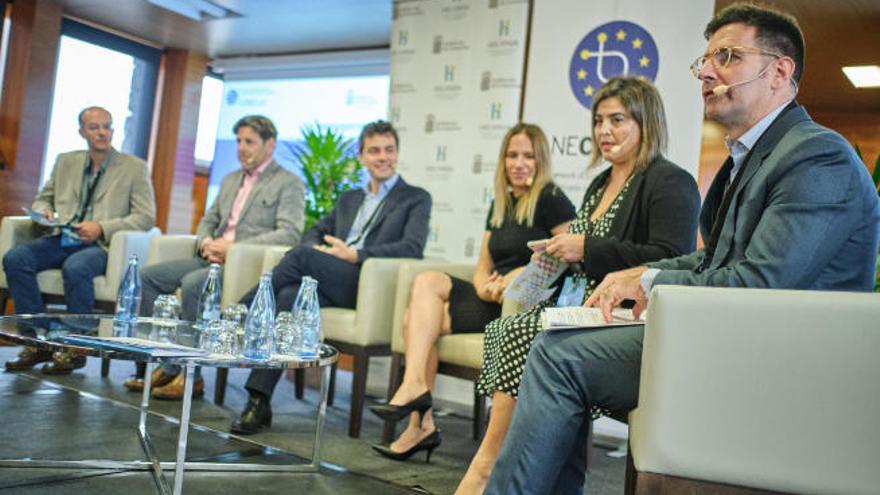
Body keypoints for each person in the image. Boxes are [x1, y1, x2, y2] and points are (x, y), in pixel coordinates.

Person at [483, 5, 880, 495]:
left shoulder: (817, 155)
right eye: (705, 60)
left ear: (780, 70)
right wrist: (637, 272)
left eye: (729, 56)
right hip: (725, 334)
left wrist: (646, 279)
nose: (707, 72)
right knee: (556, 344)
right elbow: (712, 261)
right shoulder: (754, 156)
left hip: (776, 360)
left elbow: (761, 284)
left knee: (560, 358)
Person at [456, 77, 702, 494]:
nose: (604, 131)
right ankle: (541, 475)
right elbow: (582, 256)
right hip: (583, 306)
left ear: (647, 121)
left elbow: (669, 257)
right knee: (503, 328)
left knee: (519, 332)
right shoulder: (598, 183)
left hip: (630, 318)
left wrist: (586, 247)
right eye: (599, 121)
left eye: (618, 120)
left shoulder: (669, 181)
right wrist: (548, 261)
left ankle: (488, 464)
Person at [369, 124, 577, 461]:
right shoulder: (503, 201)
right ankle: (416, 393)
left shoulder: (551, 198)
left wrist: (514, 277)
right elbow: (483, 263)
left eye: (528, 156)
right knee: (426, 283)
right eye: (512, 155)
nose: (518, 163)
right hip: (493, 298)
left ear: (541, 160)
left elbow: (566, 259)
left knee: (414, 320)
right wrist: (484, 284)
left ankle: (417, 421)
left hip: (522, 306)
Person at [230, 120, 432, 435]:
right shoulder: (350, 198)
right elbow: (314, 232)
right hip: (333, 277)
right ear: (362, 156)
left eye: (389, 150)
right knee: (287, 296)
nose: (383, 157)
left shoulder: (415, 198)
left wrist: (356, 255)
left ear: (397, 153)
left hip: (369, 283)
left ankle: (243, 311)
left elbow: (412, 247)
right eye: (374, 151)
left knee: (300, 256)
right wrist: (322, 249)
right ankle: (258, 400)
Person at [122, 115, 306, 400]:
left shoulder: (288, 183)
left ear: (270, 145)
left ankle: (191, 375)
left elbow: (289, 234)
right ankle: (168, 364)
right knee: (148, 278)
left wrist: (234, 247)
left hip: (244, 266)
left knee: (196, 284)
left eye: (250, 142)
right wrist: (206, 241)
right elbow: (209, 220)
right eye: (239, 141)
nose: (242, 148)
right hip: (211, 258)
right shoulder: (231, 179)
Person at [3, 106, 156, 375]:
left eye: (107, 126)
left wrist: (102, 227)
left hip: (102, 245)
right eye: (95, 128)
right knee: (15, 258)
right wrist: (44, 212)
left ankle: (76, 348)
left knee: (76, 267)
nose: (102, 133)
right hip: (63, 236)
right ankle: (39, 341)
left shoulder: (135, 168)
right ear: (82, 132)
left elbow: (146, 217)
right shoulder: (66, 161)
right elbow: (44, 197)